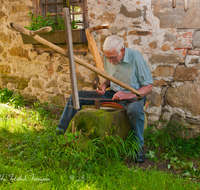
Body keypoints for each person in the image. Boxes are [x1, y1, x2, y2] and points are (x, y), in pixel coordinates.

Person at [58, 35, 153, 163]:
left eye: (113, 58)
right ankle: (60, 133)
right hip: (113, 94)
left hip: (134, 97)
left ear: (122, 51)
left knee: (136, 111)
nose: (109, 61)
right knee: (76, 96)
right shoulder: (109, 57)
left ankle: (137, 147)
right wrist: (103, 85)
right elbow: (110, 77)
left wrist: (127, 95)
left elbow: (148, 86)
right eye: (107, 57)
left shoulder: (136, 58)